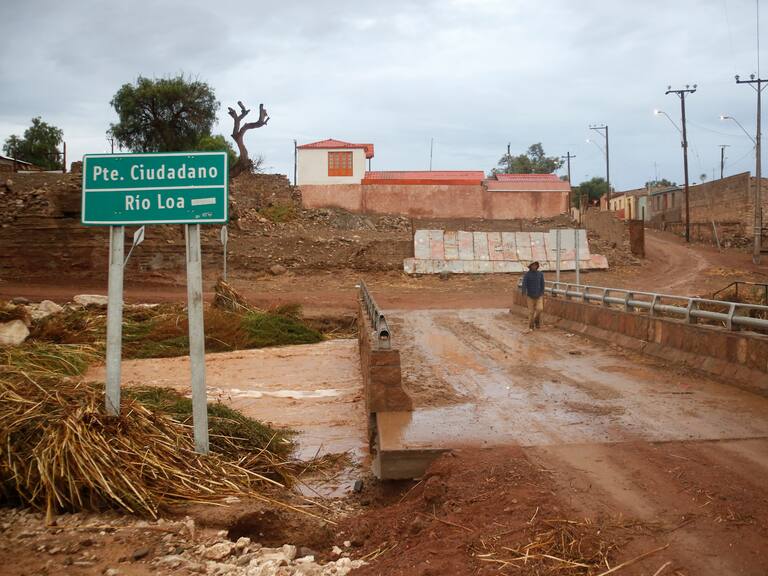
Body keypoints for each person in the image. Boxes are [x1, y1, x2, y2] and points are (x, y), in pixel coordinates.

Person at [520, 261, 545, 332]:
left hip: (539, 295)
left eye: (535, 265)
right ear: (530, 267)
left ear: (537, 266)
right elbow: (524, 284)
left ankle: (536, 320)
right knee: (531, 312)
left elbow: (542, 284)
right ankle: (531, 326)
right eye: (533, 265)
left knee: (540, 309)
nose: (534, 267)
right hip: (530, 296)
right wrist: (523, 292)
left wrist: (542, 292)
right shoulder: (527, 275)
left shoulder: (540, 274)